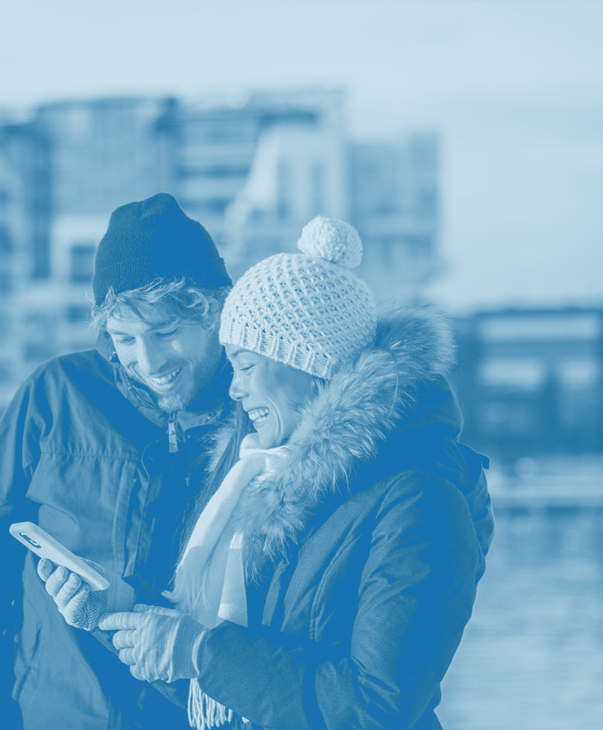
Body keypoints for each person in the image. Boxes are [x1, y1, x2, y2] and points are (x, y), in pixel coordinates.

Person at [98, 217, 495, 729]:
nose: (234, 390)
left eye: (245, 365)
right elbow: (233, 690)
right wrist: (118, 612)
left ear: (311, 365)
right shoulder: (265, 485)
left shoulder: (419, 499)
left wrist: (201, 652)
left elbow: (376, 707)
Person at [0, 193, 235, 729]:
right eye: (124, 338)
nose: (149, 361)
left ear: (213, 311)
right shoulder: (56, 396)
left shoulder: (253, 415)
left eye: (165, 333)